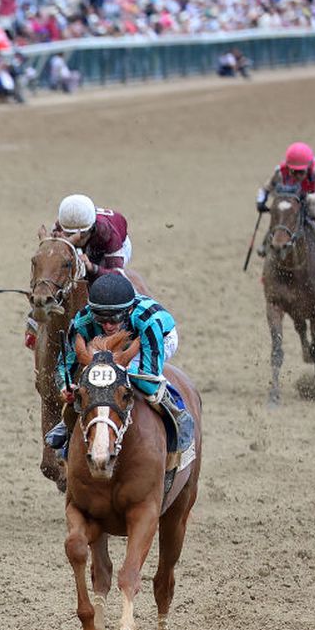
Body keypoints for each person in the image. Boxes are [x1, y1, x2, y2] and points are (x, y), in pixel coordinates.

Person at [45, 273, 195, 461]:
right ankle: (67, 425)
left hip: (159, 336)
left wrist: (117, 370)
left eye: (115, 318)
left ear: (129, 310)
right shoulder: (82, 322)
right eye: (101, 318)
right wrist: (64, 387)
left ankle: (174, 411)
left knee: (132, 377)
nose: (108, 325)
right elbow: (64, 365)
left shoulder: (148, 322)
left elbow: (149, 375)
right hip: (122, 340)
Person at [256, 142, 315, 267]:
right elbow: (265, 188)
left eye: (301, 172)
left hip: (313, 197)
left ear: (308, 167)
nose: (297, 176)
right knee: (282, 215)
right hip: (293, 197)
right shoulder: (280, 171)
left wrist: (308, 198)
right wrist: (260, 201)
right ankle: (266, 245)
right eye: (293, 172)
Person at [51, 194, 133, 280]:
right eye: (70, 235)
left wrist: (92, 268)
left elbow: (118, 275)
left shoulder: (106, 232)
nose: (76, 239)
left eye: (82, 235)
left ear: (92, 228)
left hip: (116, 244)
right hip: (94, 239)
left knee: (103, 283)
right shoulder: (58, 228)